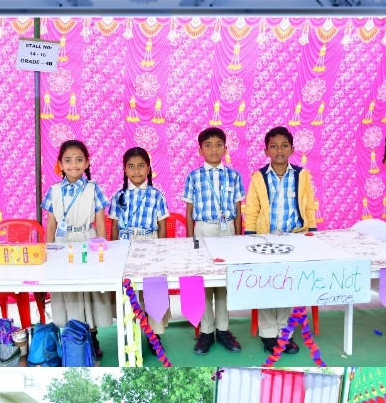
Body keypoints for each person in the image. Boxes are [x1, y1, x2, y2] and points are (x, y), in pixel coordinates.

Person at [244, 126, 321, 353]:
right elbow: (252, 209)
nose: (279, 150)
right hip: (265, 240)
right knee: (266, 285)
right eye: (274, 146)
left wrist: (311, 234)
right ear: (266, 150)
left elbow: (309, 206)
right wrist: (251, 238)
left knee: (288, 286)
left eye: (284, 146)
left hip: (295, 239)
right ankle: (268, 334)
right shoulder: (259, 177)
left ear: (292, 149)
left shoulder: (302, 176)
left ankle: (284, 333)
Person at [43, 139, 115, 360]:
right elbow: (51, 225)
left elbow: (100, 223)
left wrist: (102, 248)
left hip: (87, 240)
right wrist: (48, 251)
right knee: (69, 289)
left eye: (78, 159)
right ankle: (73, 337)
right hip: (62, 243)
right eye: (68, 160)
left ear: (87, 163)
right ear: (60, 164)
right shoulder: (54, 191)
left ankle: (92, 336)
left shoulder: (93, 189)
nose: (73, 164)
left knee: (88, 289)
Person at [183, 126, 247, 355]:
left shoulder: (234, 176)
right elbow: (189, 211)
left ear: (225, 148)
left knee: (223, 282)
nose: (214, 149)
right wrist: (190, 240)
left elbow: (238, 211)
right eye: (208, 145)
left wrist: (237, 237)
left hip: (227, 230)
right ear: (200, 150)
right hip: (203, 230)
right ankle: (206, 331)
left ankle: (223, 329)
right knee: (203, 283)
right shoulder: (193, 176)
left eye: (219, 144)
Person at [106, 147, 172, 339]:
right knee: (130, 289)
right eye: (131, 166)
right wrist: (115, 251)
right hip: (125, 246)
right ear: (125, 169)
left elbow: (162, 226)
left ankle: (154, 334)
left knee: (152, 287)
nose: (136, 171)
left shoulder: (157, 195)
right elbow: (114, 227)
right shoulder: (118, 196)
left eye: (141, 166)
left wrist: (162, 249)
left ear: (149, 168)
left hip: (150, 243)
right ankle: (132, 331)